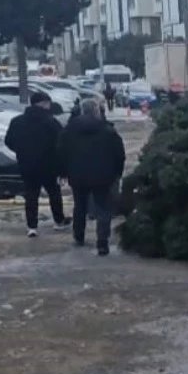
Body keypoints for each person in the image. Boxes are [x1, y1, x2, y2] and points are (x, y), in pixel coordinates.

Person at [59, 98, 126, 256]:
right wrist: (117, 173)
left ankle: (79, 236)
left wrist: (63, 172)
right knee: (103, 208)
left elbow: (61, 152)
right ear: (96, 111)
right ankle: (102, 242)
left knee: (80, 206)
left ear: (82, 111)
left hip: (77, 175)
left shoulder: (69, 130)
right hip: (103, 176)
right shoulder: (108, 130)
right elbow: (119, 154)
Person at [4, 92, 70, 238]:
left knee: (31, 195)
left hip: (27, 164)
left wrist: (21, 151)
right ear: (44, 103)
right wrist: (62, 167)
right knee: (54, 193)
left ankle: (32, 226)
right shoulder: (51, 122)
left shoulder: (17, 121)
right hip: (49, 165)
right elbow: (62, 144)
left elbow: (8, 141)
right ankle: (59, 221)